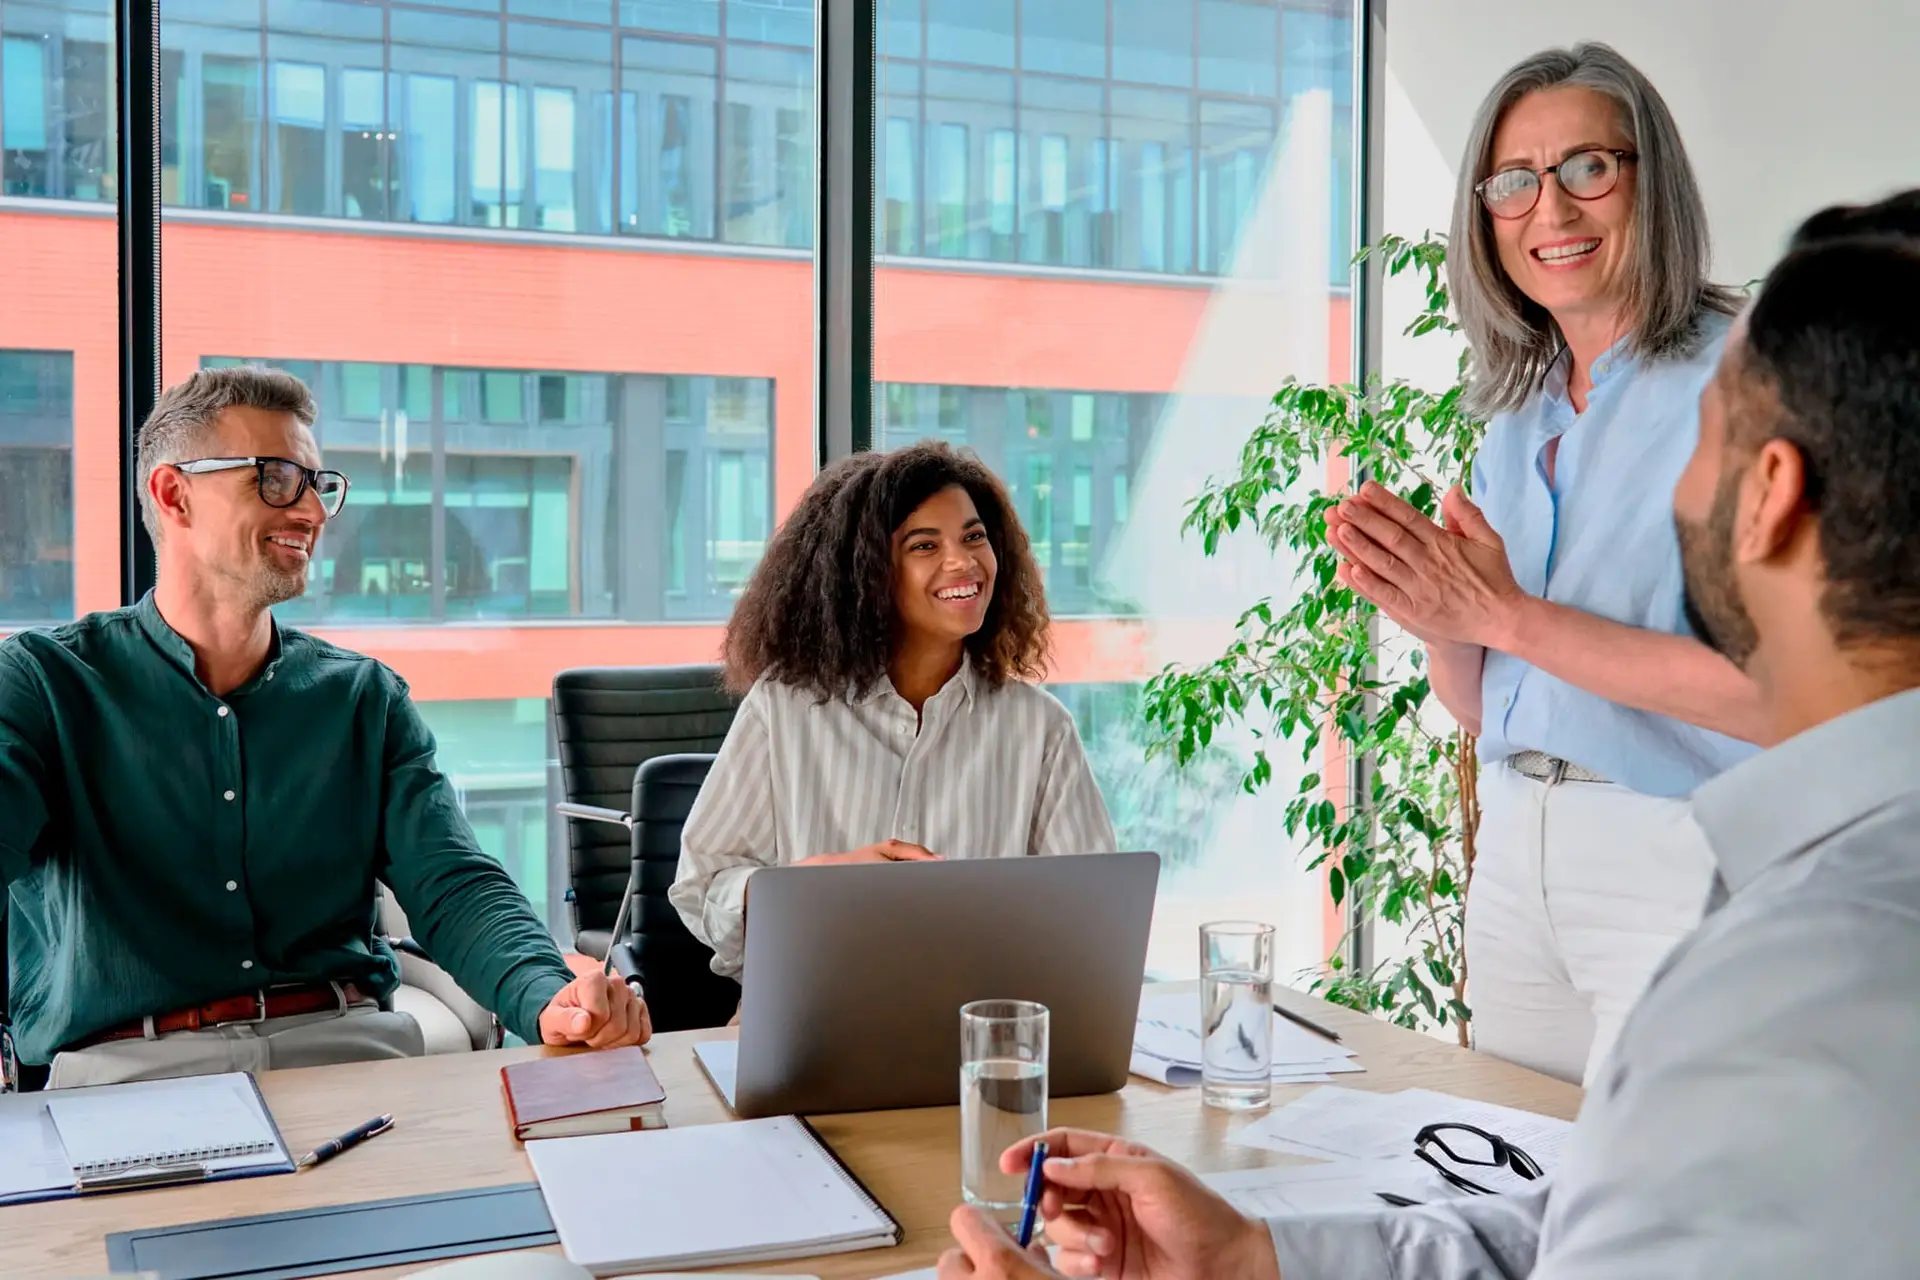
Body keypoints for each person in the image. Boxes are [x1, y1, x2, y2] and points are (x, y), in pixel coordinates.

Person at [933, 192, 1920, 1279]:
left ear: (1769, 496)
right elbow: (1610, 1212)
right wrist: (1258, 1258)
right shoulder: (1820, 910)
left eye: (1700, 434)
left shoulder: (1805, 977)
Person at [0, 366, 649, 1090]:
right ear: (173, 493)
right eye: (276, 478)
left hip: (351, 1054)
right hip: (132, 1078)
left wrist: (547, 995)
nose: (311, 511)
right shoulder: (42, 684)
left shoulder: (362, 697)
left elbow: (455, 885)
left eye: (318, 484)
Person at [1324, 43, 1764, 1084]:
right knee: (1519, 1187)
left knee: (1656, 1220)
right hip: (1518, 851)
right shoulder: (1514, 412)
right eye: (1515, 181)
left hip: (1678, 849)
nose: (1549, 210)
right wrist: (1443, 618)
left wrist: (1506, 613)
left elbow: (1786, 697)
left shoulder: (1753, 379)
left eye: (1587, 169)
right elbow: (1496, 709)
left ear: (1650, 181)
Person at [668, 441, 1116, 985]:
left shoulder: (1041, 728)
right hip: (813, 1017)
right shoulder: (783, 708)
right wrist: (814, 883)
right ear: (865, 573)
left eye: (974, 536)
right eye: (924, 545)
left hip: (979, 1025)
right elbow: (703, 884)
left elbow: (1096, 917)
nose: (963, 561)